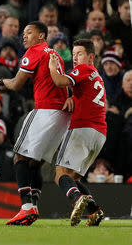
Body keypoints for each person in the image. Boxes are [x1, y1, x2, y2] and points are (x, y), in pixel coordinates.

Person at [0, 21, 71, 225]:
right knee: (35, 162)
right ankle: (33, 207)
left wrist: (2, 83)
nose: (24, 36)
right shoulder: (54, 54)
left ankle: (26, 207)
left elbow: (18, 83)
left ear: (41, 36)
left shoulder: (35, 52)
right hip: (62, 116)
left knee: (19, 156)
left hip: (46, 111)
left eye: (29, 32)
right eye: (24, 33)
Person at [48, 39, 107, 226]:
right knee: (74, 177)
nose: (74, 58)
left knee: (60, 174)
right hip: (99, 134)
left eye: (79, 54)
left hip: (82, 128)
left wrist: (53, 66)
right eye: (73, 54)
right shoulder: (96, 75)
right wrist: (73, 97)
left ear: (91, 57)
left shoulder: (84, 69)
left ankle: (76, 200)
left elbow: (59, 81)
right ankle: (95, 211)